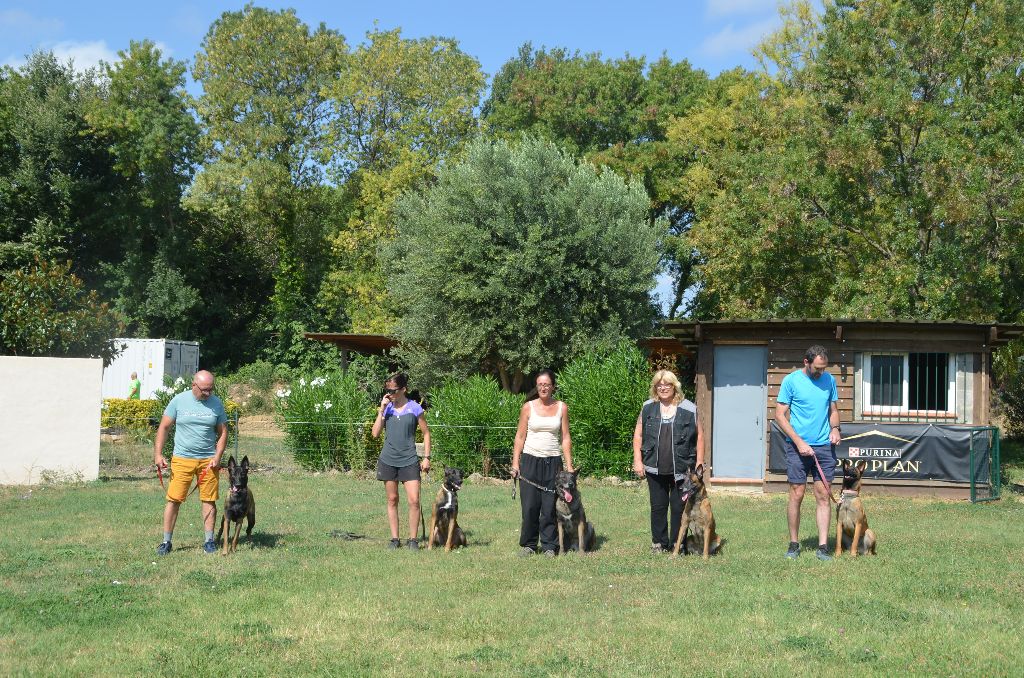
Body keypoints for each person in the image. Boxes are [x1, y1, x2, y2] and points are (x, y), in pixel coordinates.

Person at [775, 345, 841, 561]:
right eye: (817, 368)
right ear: (806, 362)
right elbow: (780, 416)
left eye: (824, 368)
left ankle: (823, 547)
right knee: (797, 493)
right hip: (797, 446)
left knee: (823, 495)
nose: (821, 372)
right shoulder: (791, 381)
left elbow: (833, 410)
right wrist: (799, 442)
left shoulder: (829, 380)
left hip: (824, 447)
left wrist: (835, 428)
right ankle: (794, 544)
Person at [153, 370, 227, 555]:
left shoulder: (216, 404)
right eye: (204, 390)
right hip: (182, 459)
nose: (208, 393)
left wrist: (217, 457)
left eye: (211, 389)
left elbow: (223, 432)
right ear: (194, 385)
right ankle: (166, 542)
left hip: (208, 461)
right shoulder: (178, 401)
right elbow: (164, 427)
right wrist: (158, 454)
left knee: (209, 500)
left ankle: (209, 540)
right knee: (174, 500)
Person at [632, 369, 704, 554]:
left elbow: (700, 438)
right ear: (655, 388)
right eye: (659, 385)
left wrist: (699, 465)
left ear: (675, 386)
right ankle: (659, 543)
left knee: (679, 507)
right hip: (654, 467)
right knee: (658, 507)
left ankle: (677, 544)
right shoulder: (648, 406)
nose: (663, 388)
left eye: (667, 384)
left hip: (682, 469)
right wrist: (637, 460)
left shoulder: (689, 408)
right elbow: (638, 434)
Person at [511, 369, 574, 557]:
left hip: (553, 462)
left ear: (553, 386)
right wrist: (516, 463)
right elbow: (520, 437)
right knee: (530, 506)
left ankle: (549, 546)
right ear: (536, 386)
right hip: (530, 461)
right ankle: (529, 545)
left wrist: (569, 466)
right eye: (540, 384)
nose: (543, 388)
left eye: (547, 384)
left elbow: (565, 437)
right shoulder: (527, 407)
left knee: (549, 507)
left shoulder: (562, 407)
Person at [371, 373, 431, 550]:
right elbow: (375, 434)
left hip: (409, 460)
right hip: (388, 459)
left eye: (393, 390)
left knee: (414, 500)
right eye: (387, 390)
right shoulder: (386, 408)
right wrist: (382, 410)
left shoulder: (415, 408)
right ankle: (395, 539)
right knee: (392, 499)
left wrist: (426, 458)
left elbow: (426, 433)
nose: (389, 394)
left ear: (403, 389)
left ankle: (413, 540)